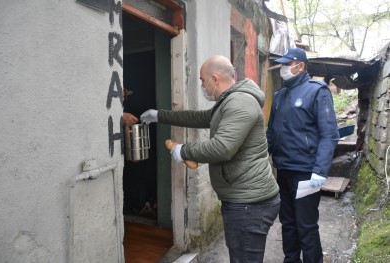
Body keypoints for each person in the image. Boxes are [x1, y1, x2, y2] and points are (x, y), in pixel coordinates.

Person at [140, 55, 280, 263]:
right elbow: (198, 118)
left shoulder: (240, 102)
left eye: (202, 80)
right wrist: (160, 115)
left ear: (215, 79)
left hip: (249, 203)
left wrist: (184, 151)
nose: (202, 85)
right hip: (244, 199)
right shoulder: (228, 101)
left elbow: (222, 148)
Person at [266, 48, 339, 263]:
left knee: (305, 224)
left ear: (301, 66)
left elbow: (329, 135)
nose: (284, 68)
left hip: (306, 173)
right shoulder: (280, 95)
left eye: (288, 64)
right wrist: (261, 158)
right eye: (283, 64)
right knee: (287, 222)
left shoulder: (317, 91)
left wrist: (320, 170)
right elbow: (271, 132)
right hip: (284, 170)